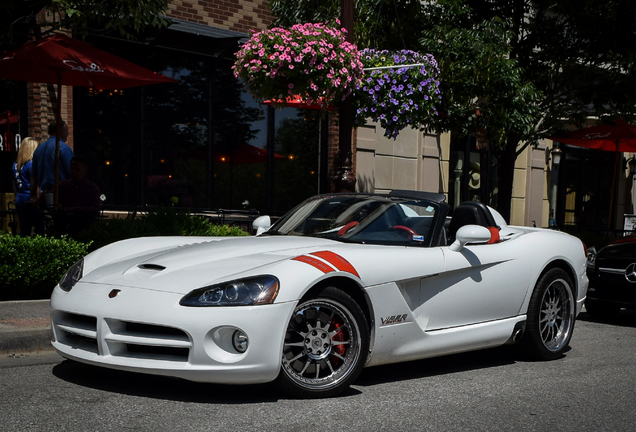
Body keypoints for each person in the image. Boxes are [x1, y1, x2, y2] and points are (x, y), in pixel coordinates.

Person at [30, 120, 74, 201]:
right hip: (62, 195)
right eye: (66, 131)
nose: (68, 134)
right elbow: (73, 173)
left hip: (44, 196)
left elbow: (33, 176)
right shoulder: (64, 148)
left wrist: (33, 196)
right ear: (61, 131)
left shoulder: (39, 149)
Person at [57, 156, 101, 233]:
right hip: (63, 226)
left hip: (84, 228)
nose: (74, 172)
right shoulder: (63, 186)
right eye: (72, 169)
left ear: (85, 171)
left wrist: (67, 209)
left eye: (78, 170)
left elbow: (93, 209)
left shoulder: (92, 189)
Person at [11, 137, 43, 235]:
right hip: (31, 200)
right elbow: (35, 183)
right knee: (39, 230)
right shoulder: (31, 164)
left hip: (20, 200)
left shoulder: (15, 165)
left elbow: (16, 184)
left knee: (24, 230)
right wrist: (38, 198)